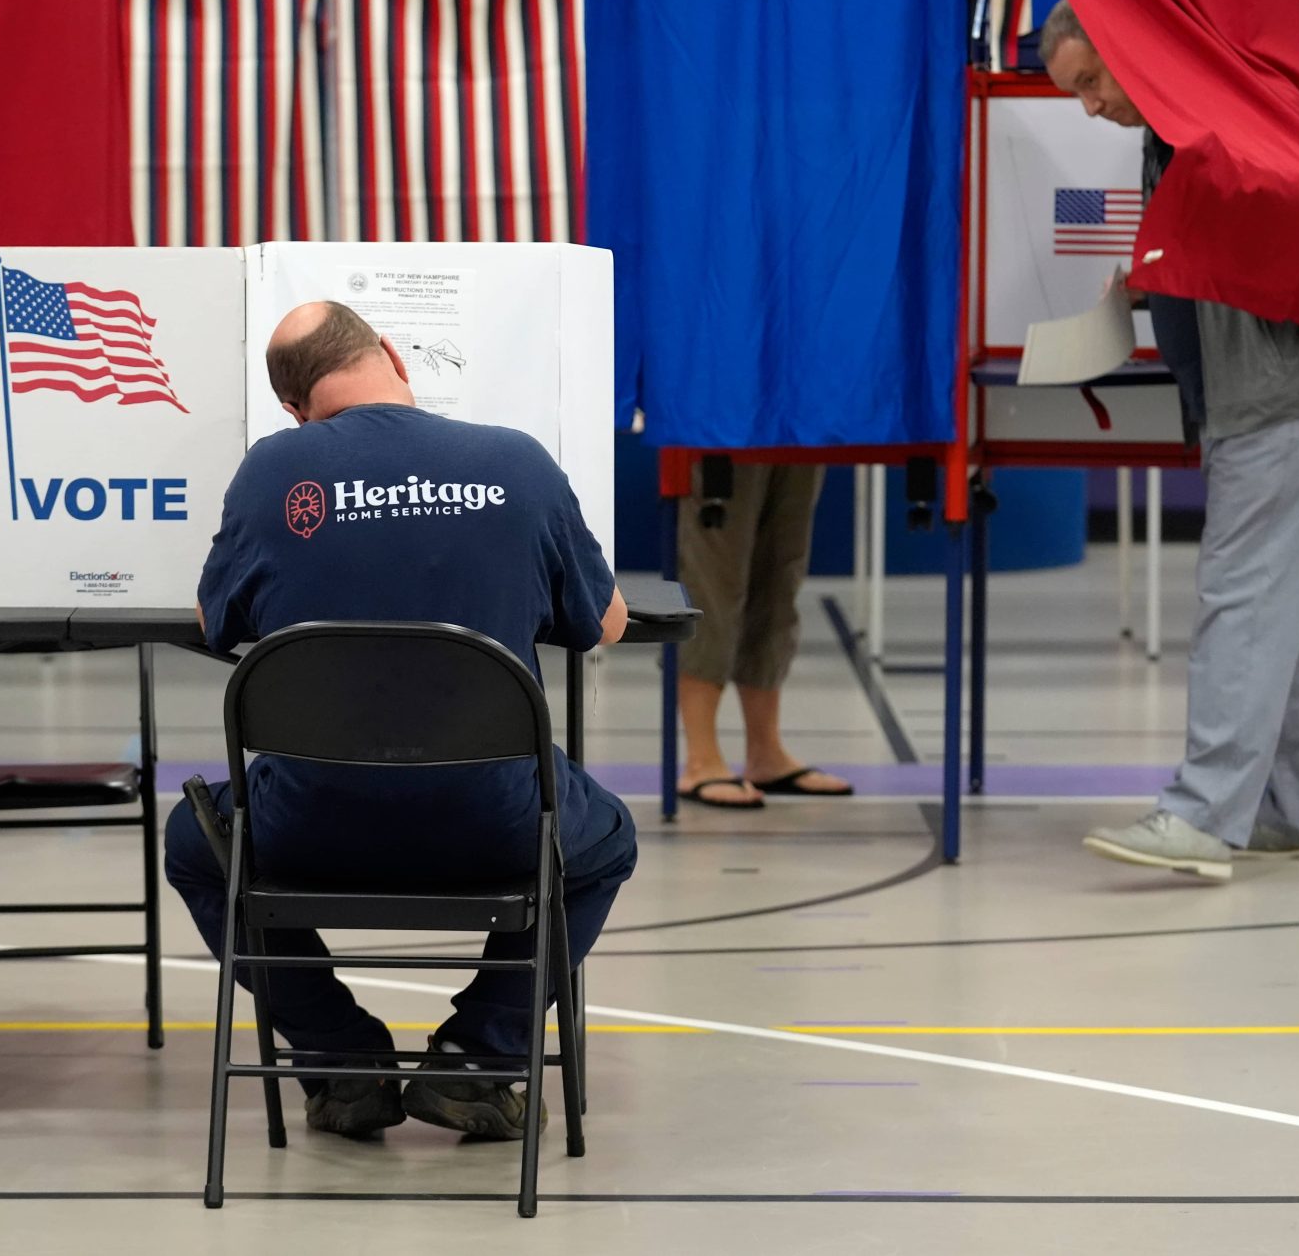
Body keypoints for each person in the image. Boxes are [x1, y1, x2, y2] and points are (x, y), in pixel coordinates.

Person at [164, 300, 637, 1139]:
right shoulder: (515, 463)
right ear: (390, 352)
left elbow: (216, 622)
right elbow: (600, 626)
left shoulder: (274, 471)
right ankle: (481, 1057)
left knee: (195, 847)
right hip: (495, 823)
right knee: (604, 841)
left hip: (306, 826)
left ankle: (341, 1063)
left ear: (294, 405)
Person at [1041, 0, 1299, 882]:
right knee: (1275, 602)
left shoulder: (1221, 121)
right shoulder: (1172, 136)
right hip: (1250, 395)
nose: (1089, 107)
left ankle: (1202, 812)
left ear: (1131, 51)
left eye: (1092, 82)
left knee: (1238, 594)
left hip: (1279, 394)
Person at [674, 461, 853, 809]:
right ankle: (701, 758)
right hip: (721, 421)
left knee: (780, 578)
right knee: (715, 580)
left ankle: (765, 752)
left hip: (796, 420)